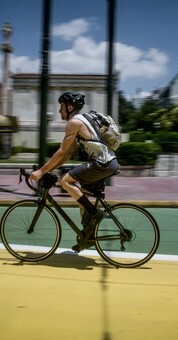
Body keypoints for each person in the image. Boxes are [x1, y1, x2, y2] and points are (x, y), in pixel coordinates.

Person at [30, 92, 119, 251]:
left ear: (70, 107)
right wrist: (48, 169)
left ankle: (94, 212)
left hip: (102, 163)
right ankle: (88, 236)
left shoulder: (74, 123)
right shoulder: (82, 121)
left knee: (65, 181)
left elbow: (61, 151)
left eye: (61, 107)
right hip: (108, 162)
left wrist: (42, 171)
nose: (59, 111)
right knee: (79, 192)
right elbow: (68, 154)